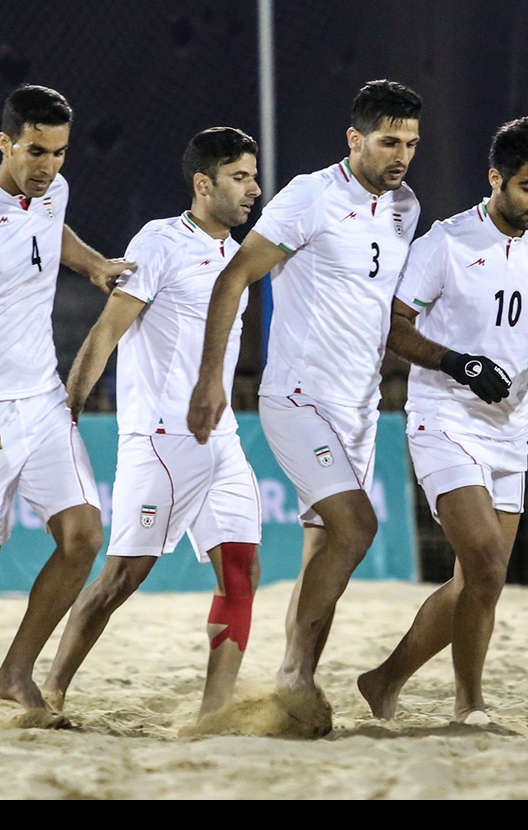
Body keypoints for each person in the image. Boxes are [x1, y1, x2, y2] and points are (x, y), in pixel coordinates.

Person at [187, 80, 422, 705]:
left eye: (412, 144)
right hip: (298, 397)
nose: (401, 155)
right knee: (357, 527)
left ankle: (296, 678)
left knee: (330, 550)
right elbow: (235, 275)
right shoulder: (310, 196)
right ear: (355, 139)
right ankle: (293, 675)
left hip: (360, 408)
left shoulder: (406, 208)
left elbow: (386, 308)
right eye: (388, 141)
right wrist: (213, 377)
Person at [0, 84, 133, 732]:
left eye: (60, 153)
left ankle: (15, 671)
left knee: (84, 536)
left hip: (41, 402)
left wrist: (92, 263)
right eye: (35, 151)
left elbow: (52, 230)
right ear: (5, 142)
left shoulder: (52, 190)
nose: (48, 167)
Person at [358, 117, 528, 724]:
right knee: (485, 562)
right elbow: (394, 327)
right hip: (444, 418)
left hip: (512, 428)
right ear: (495, 179)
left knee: (479, 580)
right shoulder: (445, 244)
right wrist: (459, 363)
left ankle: (383, 681)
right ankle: (470, 704)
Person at [43, 128, 264, 720]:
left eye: (253, 176)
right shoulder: (161, 242)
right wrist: (67, 410)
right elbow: (106, 333)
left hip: (221, 441)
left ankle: (214, 714)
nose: (254, 189)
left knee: (241, 569)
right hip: (160, 442)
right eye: (240, 177)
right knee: (120, 579)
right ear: (203, 184)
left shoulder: (239, 257)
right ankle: (51, 691)